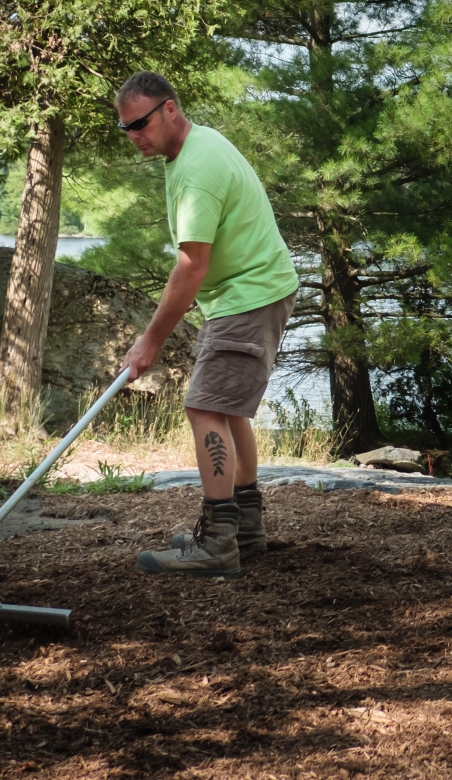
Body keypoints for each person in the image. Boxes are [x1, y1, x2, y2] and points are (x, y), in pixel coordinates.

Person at [115, 71, 298, 577]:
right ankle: (244, 526)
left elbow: (191, 265)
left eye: (140, 123)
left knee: (203, 406)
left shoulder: (196, 167)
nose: (134, 136)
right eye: (125, 128)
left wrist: (150, 341)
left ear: (170, 109)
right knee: (229, 408)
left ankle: (218, 541)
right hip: (247, 293)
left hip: (249, 295)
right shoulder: (191, 149)